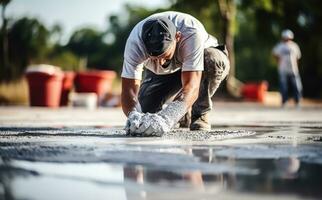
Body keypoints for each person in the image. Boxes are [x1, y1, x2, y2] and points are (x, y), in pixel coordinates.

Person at [121, 11, 230, 136]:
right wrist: (133, 115)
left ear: (177, 37)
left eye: (164, 56)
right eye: (154, 58)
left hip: (200, 67)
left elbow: (192, 87)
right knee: (145, 112)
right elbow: (128, 90)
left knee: (212, 59)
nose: (161, 63)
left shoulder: (191, 33)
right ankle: (182, 114)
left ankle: (200, 113)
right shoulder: (135, 41)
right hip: (169, 73)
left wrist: (167, 119)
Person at [272, 29, 302, 107]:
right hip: (283, 69)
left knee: (296, 86)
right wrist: (278, 63)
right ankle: (284, 102)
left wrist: (297, 67)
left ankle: (297, 101)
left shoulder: (294, 46)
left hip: (293, 69)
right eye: (285, 38)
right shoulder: (280, 46)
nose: (287, 39)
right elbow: (275, 54)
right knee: (283, 86)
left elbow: (297, 57)